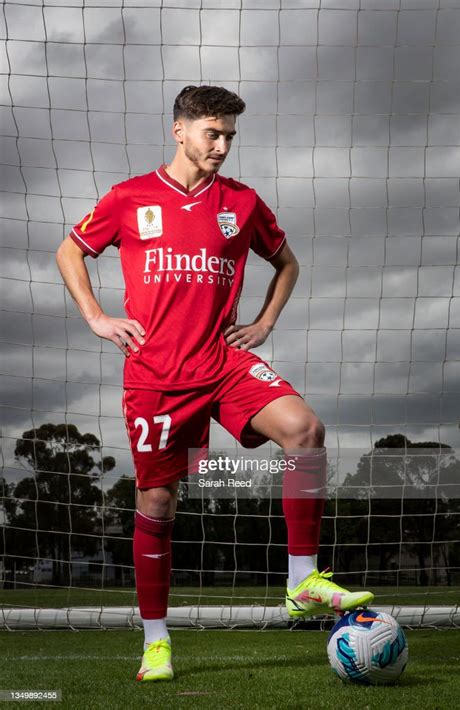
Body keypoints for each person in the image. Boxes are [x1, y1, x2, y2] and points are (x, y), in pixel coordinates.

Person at [56, 85, 374, 682]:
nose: (223, 145)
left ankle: (301, 580)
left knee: (305, 430)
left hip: (222, 360)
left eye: (229, 135)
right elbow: (70, 252)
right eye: (212, 133)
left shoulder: (242, 203)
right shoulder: (129, 198)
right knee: (158, 502)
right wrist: (97, 317)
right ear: (179, 130)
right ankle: (156, 641)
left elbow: (287, 263)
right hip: (157, 376)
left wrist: (265, 321)